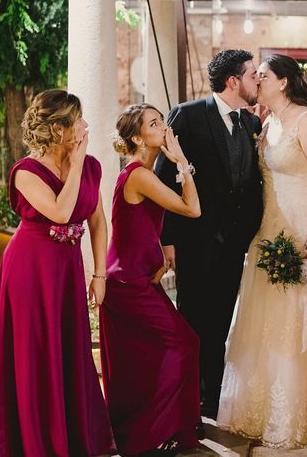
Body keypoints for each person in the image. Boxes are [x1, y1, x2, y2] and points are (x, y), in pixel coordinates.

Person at [217, 54, 307, 448]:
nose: (256, 79)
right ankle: (260, 404)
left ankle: (303, 406)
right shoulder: (267, 122)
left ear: (284, 83)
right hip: (270, 229)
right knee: (264, 319)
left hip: (302, 229)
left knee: (300, 317)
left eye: (264, 75)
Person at [0, 89, 115, 457]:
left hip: (67, 270)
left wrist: (100, 274)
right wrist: (74, 165)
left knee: (70, 350)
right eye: (77, 120)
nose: (84, 126)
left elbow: (97, 220)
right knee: (35, 354)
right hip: (30, 271)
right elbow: (60, 212)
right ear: (58, 129)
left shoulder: (91, 167)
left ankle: (71, 438)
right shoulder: (26, 172)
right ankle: (35, 443)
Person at [154, 49, 264, 419]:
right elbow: (164, 179)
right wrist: (167, 239)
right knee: (191, 321)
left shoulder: (250, 124)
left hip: (233, 245)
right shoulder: (188, 115)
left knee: (219, 323)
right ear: (233, 82)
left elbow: (250, 185)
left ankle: (212, 400)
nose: (257, 81)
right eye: (252, 75)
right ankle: (185, 401)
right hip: (194, 241)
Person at [100, 104, 202, 455]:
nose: (164, 127)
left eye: (162, 121)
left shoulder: (143, 172)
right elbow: (192, 208)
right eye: (155, 123)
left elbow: (139, 227)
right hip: (128, 283)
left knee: (145, 358)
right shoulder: (139, 175)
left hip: (139, 279)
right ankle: (155, 431)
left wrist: (159, 254)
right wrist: (181, 160)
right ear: (137, 138)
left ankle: (160, 429)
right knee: (184, 343)